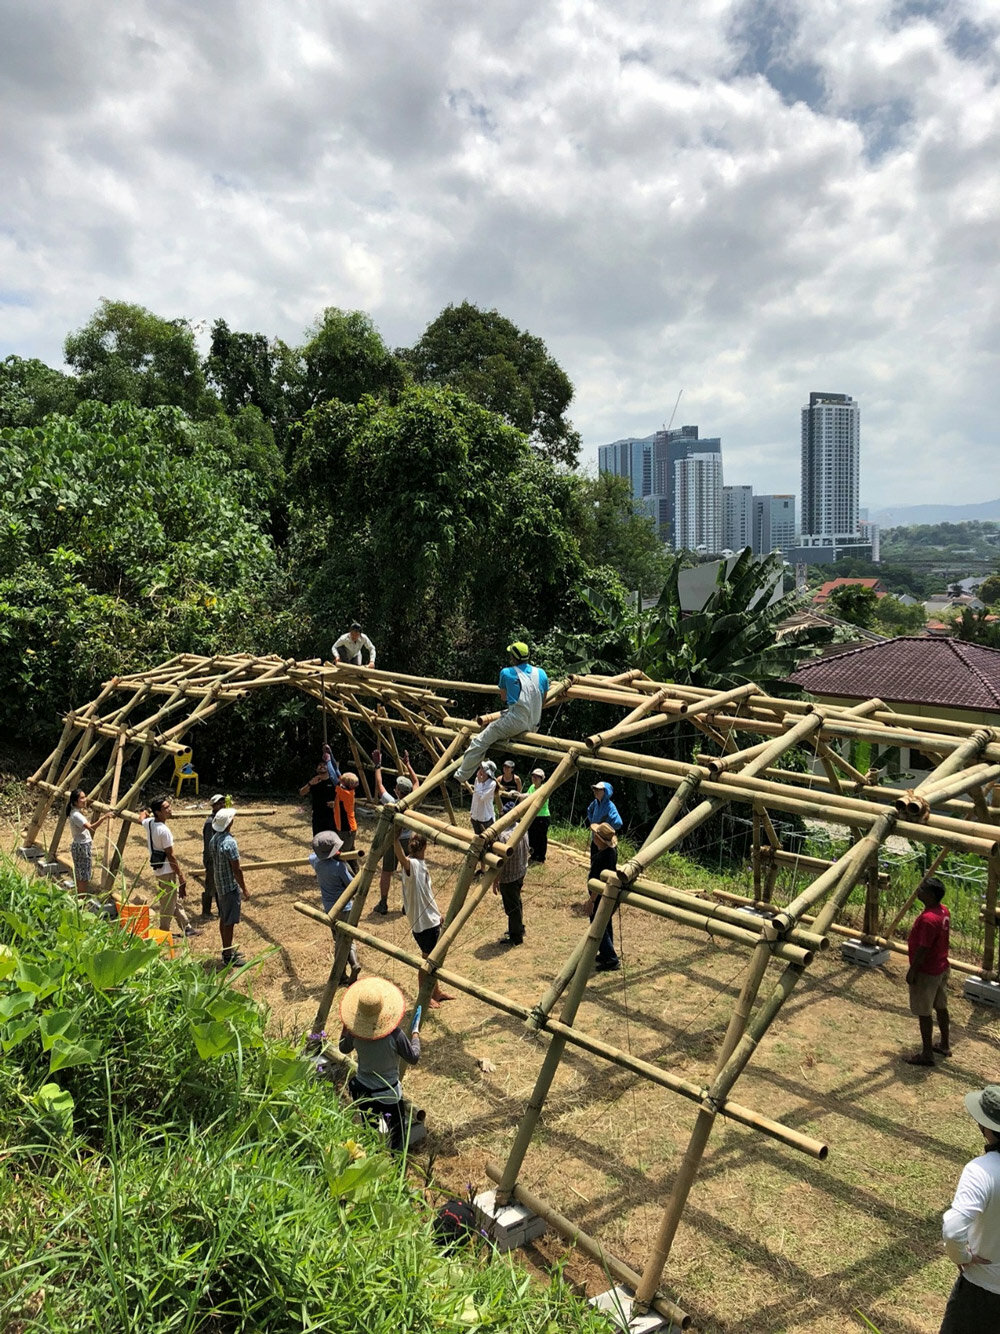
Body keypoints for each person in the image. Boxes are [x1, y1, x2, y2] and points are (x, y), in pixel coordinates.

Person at [939, 1084, 1000, 1331]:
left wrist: (962, 1257)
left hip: (981, 1290)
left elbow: (953, 1231)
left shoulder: (981, 1171)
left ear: (985, 1127)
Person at [339, 976, 420, 1151]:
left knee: (370, 1131)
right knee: (397, 1133)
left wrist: (346, 1027)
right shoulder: (394, 1035)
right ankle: (398, 1169)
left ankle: (372, 1163)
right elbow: (413, 1057)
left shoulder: (355, 1034)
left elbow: (343, 1048)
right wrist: (415, 1035)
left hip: (363, 1089)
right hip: (388, 1092)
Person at [455, 642, 548, 782]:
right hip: (535, 722)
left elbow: (504, 697)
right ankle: (496, 747)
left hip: (516, 721)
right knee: (500, 726)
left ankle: (460, 776)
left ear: (513, 657)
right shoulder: (541, 673)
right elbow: (544, 699)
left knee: (479, 741)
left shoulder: (506, 672)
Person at [394, 831, 453, 1008]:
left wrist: (437, 913)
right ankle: (425, 996)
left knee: (434, 960)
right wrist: (394, 838)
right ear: (425, 846)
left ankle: (436, 991)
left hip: (431, 919)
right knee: (428, 961)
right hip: (423, 924)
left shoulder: (420, 864)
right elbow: (402, 859)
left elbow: (427, 894)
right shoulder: (411, 865)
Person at [905, 877, 951, 1067]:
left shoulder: (928, 919)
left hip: (926, 972)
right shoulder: (943, 911)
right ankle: (945, 1044)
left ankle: (927, 1053)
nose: (919, 889)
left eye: (922, 888)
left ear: (930, 895)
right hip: (941, 967)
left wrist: (913, 970)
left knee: (924, 1012)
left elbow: (923, 948)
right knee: (941, 1006)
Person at [142, 796, 198, 938]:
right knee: (168, 903)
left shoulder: (149, 823)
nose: (169, 809)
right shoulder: (164, 830)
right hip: (167, 870)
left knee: (173, 899)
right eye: (165, 808)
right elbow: (171, 856)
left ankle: (187, 927)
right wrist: (180, 875)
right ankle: (163, 931)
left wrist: (146, 811)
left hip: (158, 868)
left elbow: (141, 817)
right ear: (158, 812)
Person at [309, 829, 360, 984]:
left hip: (329, 909)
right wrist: (342, 861)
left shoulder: (316, 862)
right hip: (344, 907)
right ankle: (352, 964)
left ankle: (344, 972)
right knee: (346, 939)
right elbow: (353, 886)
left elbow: (312, 856)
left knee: (338, 938)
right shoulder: (339, 867)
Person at [372, 748, 417, 915]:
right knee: (408, 872)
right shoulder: (412, 800)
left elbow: (379, 785)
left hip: (393, 839)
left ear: (398, 791)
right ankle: (407, 905)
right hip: (408, 840)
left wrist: (378, 765)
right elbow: (416, 783)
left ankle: (383, 903)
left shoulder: (392, 802)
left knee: (386, 871)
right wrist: (408, 764)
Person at [209, 806, 249, 968]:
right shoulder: (229, 842)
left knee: (224, 918)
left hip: (220, 885)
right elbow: (236, 869)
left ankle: (228, 949)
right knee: (229, 922)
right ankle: (228, 955)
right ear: (229, 822)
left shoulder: (214, 839)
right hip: (229, 887)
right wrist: (244, 888)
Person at [495, 795, 529, 945]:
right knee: (517, 901)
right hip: (521, 871)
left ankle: (516, 936)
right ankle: (518, 927)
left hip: (509, 876)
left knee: (512, 906)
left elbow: (499, 861)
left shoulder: (503, 836)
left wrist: (495, 879)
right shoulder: (522, 828)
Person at [587, 821, 620, 972]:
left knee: (598, 924)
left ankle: (611, 958)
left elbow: (599, 883)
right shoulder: (610, 852)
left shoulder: (603, 857)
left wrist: (591, 900)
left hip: (600, 894)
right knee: (606, 923)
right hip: (607, 894)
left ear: (600, 840)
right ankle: (607, 952)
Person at [66, 788, 106, 897]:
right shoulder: (77, 815)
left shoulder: (75, 812)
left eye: (85, 797)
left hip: (79, 845)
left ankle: (80, 896)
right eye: (82, 798)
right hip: (82, 846)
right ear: (75, 801)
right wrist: (104, 817)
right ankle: (82, 898)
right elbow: (91, 828)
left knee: (80, 873)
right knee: (84, 875)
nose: (85, 799)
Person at [322, 745, 360, 852]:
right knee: (351, 852)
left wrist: (327, 761)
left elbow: (333, 776)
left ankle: (347, 869)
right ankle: (356, 869)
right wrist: (331, 753)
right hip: (349, 828)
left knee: (343, 854)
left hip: (346, 829)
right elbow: (336, 770)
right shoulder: (347, 788)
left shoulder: (345, 793)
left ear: (344, 783)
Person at [468, 759, 498, 876]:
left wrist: (480, 782)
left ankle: (491, 866)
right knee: (478, 843)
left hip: (485, 818)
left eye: (483, 769)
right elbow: (475, 797)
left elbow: (482, 797)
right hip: (476, 815)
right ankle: (482, 868)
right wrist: (472, 812)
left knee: (488, 844)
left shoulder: (492, 784)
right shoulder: (477, 780)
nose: (480, 770)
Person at [200, 794, 226, 917]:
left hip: (218, 857)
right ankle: (206, 911)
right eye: (219, 803)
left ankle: (221, 910)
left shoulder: (219, 820)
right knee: (211, 884)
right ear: (213, 806)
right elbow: (208, 843)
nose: (222, 805)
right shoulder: (210, 822)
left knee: (218, 884)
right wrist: (212, 859)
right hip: (212, 858)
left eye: (223, 803)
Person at [300, 761, 338, 837]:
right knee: (318, 840)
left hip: (332, 816)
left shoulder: (334, 781)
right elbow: (301, 793)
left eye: (324, 765)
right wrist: (310, 784)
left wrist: (335, 803)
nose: (322, 766)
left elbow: (342, 798)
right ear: (316, 769)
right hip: (317, 816)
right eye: (319, 765)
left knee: (332, 840)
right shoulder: (313, 780)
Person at [585, 782, 623, 846]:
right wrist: (593, 823)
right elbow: (589, 810)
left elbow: (618, 823)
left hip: (604, 842)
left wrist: (606, 829)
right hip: (595, 838)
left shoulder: (610, 806)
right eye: (594, 789)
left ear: (606, 792)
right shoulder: (595, 802)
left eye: (598, 789)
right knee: (594, 855)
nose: (595, 791)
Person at [525, 767, 550, 864]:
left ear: (541, 779)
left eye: (537, 777)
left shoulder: (544, 788)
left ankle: (541, 858)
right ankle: (534, 855)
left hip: (542, 816)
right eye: (533, 776)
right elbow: (527, 796)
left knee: (541, 838)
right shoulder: (532, 787)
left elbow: (535, 800)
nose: (534, 778)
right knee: (532, 836)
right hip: (533, 815)